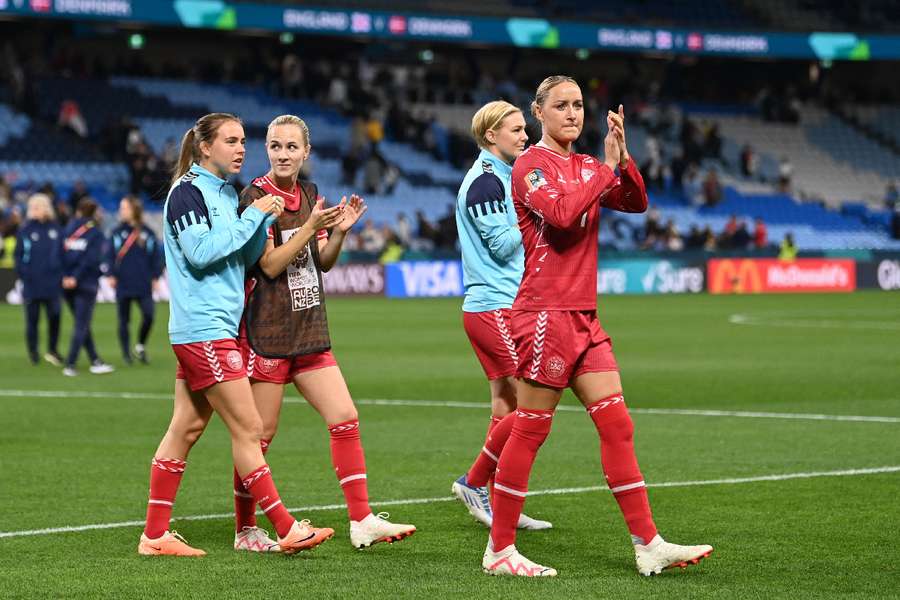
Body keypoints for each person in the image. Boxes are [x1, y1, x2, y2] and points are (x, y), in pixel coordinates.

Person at [482, 76, 713, 577]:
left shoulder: (587, 164)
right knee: (530, 429)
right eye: (561, 105)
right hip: (544, 314)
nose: (572, 113)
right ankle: (499, 549)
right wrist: (604, 170)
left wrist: (622, 159)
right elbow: (563, 216)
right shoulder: (529, 166)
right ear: (538, 112)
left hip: (583, 316)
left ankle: (647, 542)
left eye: (579, 105)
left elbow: (635, 202)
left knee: (617, 424)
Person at [139, 112, 334, 557]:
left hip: (216, 327)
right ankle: (286, 528)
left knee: (185, 428)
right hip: (204, 329)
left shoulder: (226, 193)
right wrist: (251, 219)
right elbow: (202, 252)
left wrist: (260, 221)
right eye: (231, 140)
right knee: (249, 428)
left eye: (244, 140)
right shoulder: (187, 194)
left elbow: (245, 258)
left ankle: (154, 535)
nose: (241, 148)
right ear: (204, 147)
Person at [234, 114, 416, 551]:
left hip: (309, 327)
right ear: (267, 149)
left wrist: (337, 234)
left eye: (291, 147)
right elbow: (270, 265)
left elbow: (324, 261)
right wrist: (314, 228)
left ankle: (362, 521)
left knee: (345, 418)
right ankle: (245, 529)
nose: (283, 154)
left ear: (306, 152)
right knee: (259, 437)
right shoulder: (255, 196)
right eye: (276, 146)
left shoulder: (310, 193)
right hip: (269, 333)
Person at [449, 100, 550, 532]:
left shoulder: (504, 178)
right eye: (515, 130)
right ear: (491, 136)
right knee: (531, 406)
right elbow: (504, 246)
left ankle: (498, 499)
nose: (525, 135)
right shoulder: (486, 184)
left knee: (505, 405)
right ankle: (474, 482)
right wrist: (537, 213)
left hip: (500, 306)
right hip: (495, 307)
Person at [61, 197, 114, 376]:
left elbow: (60, 255)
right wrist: (75, 277)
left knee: (81, 323)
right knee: (82, 324)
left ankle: (94, 360)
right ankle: (70, 363)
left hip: (66, 283)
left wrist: (65, 277)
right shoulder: (95, 233)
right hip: (85, 283)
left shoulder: (68, 228)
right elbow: (91, 260)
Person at [108, 195, 164, 364]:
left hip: (143, 281)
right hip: (123, 282)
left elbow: (157, 257)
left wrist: (155, 276)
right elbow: (109, 255)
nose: (121, 211)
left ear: (134, 210)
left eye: (124, 208)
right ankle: (126, 354)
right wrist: (111, 274)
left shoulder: (147, 232)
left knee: (149, 315)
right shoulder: (116, 232)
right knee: (123, 320)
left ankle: (140, 345)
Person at [14, 193, 63, 366]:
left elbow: (62, 255)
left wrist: (60, 274)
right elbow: (18, 256)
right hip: (32, 284)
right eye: (32, 207)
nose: (34, 210)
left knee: (55, 317)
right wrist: (24, 275)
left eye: (37, 207)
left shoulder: (56, 229)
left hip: (53, 284)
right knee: (32, 321)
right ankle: (33, 352)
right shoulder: (25, 230)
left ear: (46, 208)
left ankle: (52, 349)